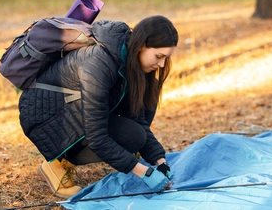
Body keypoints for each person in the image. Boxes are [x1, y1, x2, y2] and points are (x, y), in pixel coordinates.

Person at [18, 15, 179, 198]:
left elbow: (138, 118)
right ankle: (58, 163)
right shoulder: (99, 63)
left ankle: (117, 155)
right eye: (159, 57)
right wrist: (143, 172)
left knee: (144, 110)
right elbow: (97, 135)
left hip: (74, 111)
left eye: (166, 58)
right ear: (142, 46)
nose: (162, 64)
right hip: (47, 116)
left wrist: (160, 161)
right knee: (132, 137)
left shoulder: (131, 61)